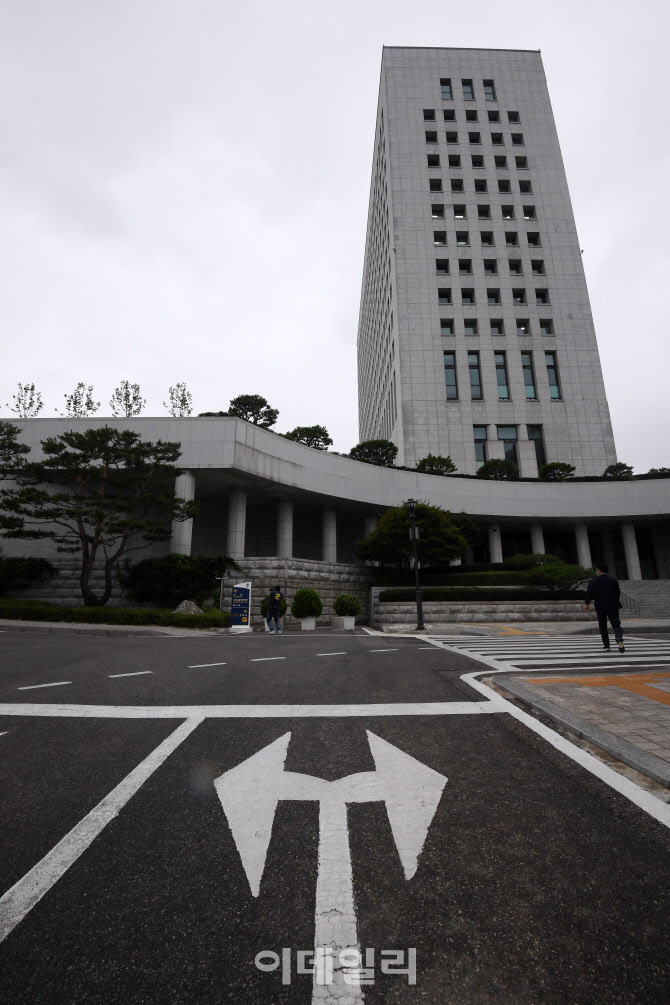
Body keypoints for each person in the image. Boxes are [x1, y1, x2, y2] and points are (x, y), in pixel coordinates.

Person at [584, 561, 625, 653]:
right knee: (616, 624)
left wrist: (587, 603)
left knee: (603, 625)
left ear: (598, 570)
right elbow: (617, 593)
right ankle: (619, 638)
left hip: (600, 605)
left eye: (596, 569)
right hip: (613, 605)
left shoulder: (594, 581)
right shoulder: (613, 580)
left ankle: (607, 645)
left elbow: (589, 593)